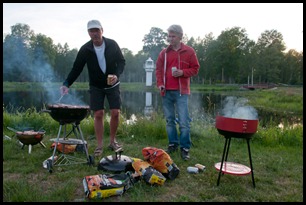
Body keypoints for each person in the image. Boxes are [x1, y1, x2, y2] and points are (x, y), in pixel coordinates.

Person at [60, 20, 125, 157]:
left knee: (115, 113)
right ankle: (100, 145)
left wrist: (117, 76)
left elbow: (121, 61)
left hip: (113, 84)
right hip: (96, 86)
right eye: (91, 31)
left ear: (102, 30)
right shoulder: (85, 49)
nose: (94, 33)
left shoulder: (112, 44)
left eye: (97, 30)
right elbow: (76, 68)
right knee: (98, 114)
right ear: (88, 33)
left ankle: (112, 141)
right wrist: (66, 84)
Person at [155, 24, 200, 160]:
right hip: (166, 91)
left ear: (180, 36)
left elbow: (195, 69)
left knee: (184, 121)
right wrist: (160, 84)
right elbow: (158, 70)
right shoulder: (164, 53)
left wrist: (182, 72)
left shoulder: (189, 51)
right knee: (169, 120)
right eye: (169, 36)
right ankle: (173, 144)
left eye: (173, 36)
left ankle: (185, 147)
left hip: (182, 92)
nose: (170, 38)